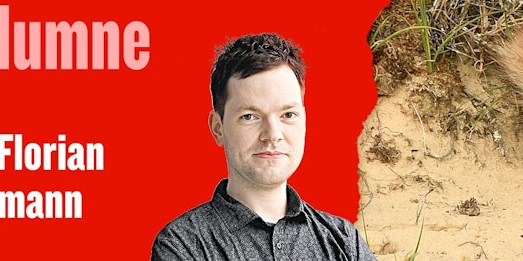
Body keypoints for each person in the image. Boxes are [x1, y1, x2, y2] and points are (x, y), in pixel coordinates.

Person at [152, 34, 376, 261]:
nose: (272, 135)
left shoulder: (344, 240)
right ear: (218, 128)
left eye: (288, 114)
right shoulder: (182, 245)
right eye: (249, 116)